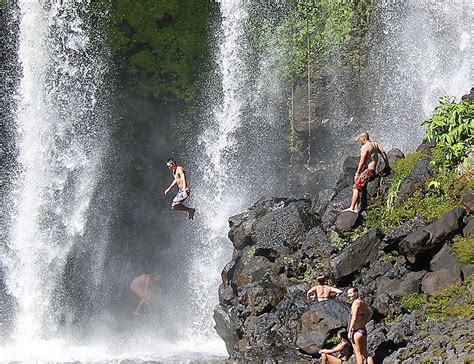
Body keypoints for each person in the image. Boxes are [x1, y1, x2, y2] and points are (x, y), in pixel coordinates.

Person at [343, 132, 390, 213]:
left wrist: (357, 173)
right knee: (359, 185)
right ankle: (357, 208)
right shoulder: (375, 144)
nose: (359, 141)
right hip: (372, 171)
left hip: (368, 172)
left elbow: (362, 161)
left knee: (356, 187)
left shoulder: (365, 147)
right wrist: (387, 164)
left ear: (364, 139)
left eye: (360, 139)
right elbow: (383, 152)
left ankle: (352, 207)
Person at [348, 287, 374, 364]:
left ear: (355, 293)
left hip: (356, 331)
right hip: (363, 329)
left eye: (350, 293)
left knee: (358, 354)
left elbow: (354, 317)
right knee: (366, 353)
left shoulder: (355, 303)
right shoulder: (362, 302)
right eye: (348, 294)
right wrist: (366, 321)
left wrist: (350, 330)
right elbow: (370, 312)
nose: (349, 295)